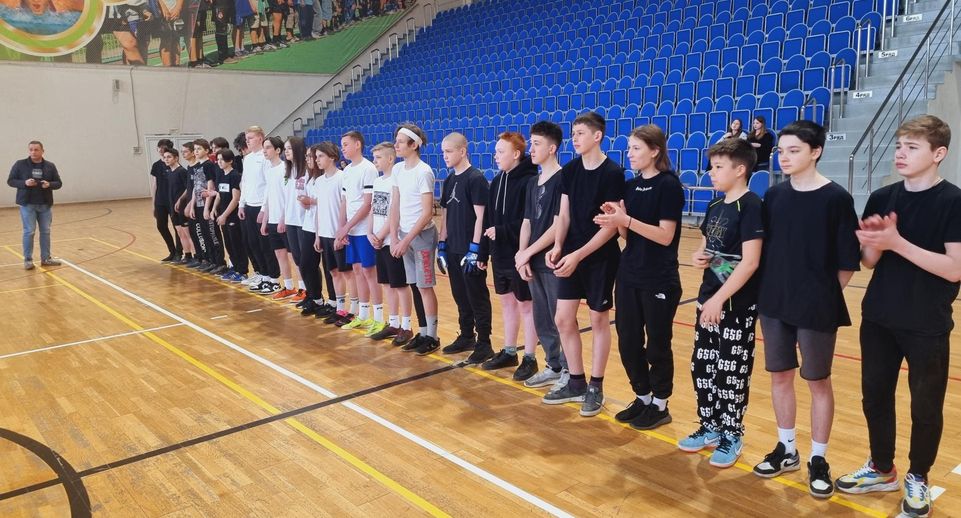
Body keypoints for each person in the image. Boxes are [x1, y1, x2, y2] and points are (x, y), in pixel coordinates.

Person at [835, 116, 959, 518]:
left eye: (912, 147)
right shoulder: (882, 196)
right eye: (899, 145)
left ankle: (918, 476)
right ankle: (881, 468)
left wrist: (896, 241)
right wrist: (873, 241)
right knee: (875, 397)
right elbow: (869, 262)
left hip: (927, 323)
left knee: (925, 407)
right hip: (879, 317)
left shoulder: (954, 202)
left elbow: (954, 269)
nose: (901, 153)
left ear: (938, 154)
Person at [751, 120, 860, 500]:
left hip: (816, 308)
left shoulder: (836, 199)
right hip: (774, 303)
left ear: (815, 152)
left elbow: (847, 263)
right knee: (780, 376)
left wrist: (819, 297)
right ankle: (787, 449)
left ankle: (818, 458)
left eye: (793, 150)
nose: (784, 157)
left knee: (817, 382)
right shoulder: (774, 196)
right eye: (780, 151)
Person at [678, 138, 763, 469]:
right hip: (708, 300)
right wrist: (700, 257)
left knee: (731, 373)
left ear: (740, 169)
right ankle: (710, 425)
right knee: (703, 367)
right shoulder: (715, 205)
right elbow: (706, 248)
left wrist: (719, 298)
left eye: (718, 167)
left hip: (735, 306)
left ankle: (732, 433)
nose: (711, 173)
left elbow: (750, 262)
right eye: (711, 166)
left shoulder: (752, 206)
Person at [595, 125, 684, 428]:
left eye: (636, 148)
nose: (630, 153)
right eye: (629, 148)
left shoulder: (669, 185)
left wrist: (627, 219)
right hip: (629, 274)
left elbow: (665, 236)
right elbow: (626, 235)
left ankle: (660, 404)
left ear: (655, 151)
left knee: (657, 344)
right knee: (629, 341)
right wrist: (616, 218)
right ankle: (643, 397)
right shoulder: (631, 186)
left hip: (659, 277)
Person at [542, 112, 625, 417]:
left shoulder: (613, 173)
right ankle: (575, 381)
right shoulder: (570, 170)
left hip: (599, 257)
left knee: (598, 319)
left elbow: (611, 227)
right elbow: (563, 215)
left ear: (597, 136)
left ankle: (595, 385)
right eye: (573, 133)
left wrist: (578, 255)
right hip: (571, 255)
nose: (574, 138)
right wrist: (558, 246)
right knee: (563, 318)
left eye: (580, 133)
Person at [514, 121, 569, 390]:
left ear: (552, 148)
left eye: (536, 144)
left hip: (552, 260)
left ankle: (570, 371)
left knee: (561, 319)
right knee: (542, 318)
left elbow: (558, 225)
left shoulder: (563, 179)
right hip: (533, 260)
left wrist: (528, 252)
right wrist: (522, 254)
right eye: (531, 143)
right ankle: (553, 365)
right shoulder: (532, 182)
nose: (531, 149)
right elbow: (527, 221)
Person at [480, 132, 539, 377]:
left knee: (526, 305)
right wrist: (483, 252)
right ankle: (509, 351)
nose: (495, 156)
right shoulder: (496, 181)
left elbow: (531, 221)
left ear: (516, 154)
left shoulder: (530, 181)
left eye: (500, 152)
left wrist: (503, 231)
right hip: (499, 255)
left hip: (520, 254)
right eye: (496, 151)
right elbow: (488, 219)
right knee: (507, 303)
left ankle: (530, 357)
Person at [438, 132, 493, 362]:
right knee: (460, 295)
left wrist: (475, 248)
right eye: (443, 152)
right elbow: (445, 215)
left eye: (449, 151)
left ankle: (484, 343)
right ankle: (467, 335)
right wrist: (442, 244)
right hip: (453, 247)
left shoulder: (475, 179)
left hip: (470, 250)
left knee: (477, 296)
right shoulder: (450, 179)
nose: (445, 156)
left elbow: (482, 217)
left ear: (462, 151)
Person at [389, 123, 441, 355]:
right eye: (396, 140)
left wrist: (405, 240)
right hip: (403, 236)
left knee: (425, 287)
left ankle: (433, 336)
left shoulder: (424, 172)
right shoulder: (398, 170)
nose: (396, 145)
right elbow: (395, 205)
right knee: (414, 285)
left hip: (421, 237)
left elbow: (427, 212)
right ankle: (422, 332)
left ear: (414, 145)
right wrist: (394, 236)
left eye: (400, 141)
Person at [337, 131, 383, 334]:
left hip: (364, 230)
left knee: (369, 272)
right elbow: (345, 201)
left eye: (346, 144)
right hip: (352, 230)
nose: (343, 148)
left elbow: (367, 204)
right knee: (357, 271)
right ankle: (363, 315)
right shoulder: (347, 171)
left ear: (358, 145)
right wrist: (342, 228)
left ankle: (379, 317)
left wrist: (346, 227)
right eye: (342, 145)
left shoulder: (368, 168)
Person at [367, 142, 409, 341]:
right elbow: (373, 209)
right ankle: (393, 323)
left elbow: (395, 212)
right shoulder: (377, 181)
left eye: (378, 157)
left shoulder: (397, 181)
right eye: (374, 157)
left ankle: (406, 325)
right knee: (386, 283)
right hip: (378, 240)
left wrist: (382, 235)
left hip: (391, 240)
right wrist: (370, 233)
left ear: (391, 158)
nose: (375, 161)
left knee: (399, 284)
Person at [238, 126, 281, 293]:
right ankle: (263, 275)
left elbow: (268, 185)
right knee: (253, 243)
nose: (247, 141)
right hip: (249, 205)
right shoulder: (247, 158)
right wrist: (242, 204)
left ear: (260, 138)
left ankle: (273, 278)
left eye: (251, 137)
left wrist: (264, 209)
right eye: (246, 138)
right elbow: (245, 183)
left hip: (261, 207)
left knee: (265, 245)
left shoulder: (265, 159)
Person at [7, 140, 62, 270]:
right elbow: (10, 181)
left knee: (46, 231)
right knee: (29, 232)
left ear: (42, 151)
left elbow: (58, 183)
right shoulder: (20, 164)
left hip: (45, 205)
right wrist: (24, 183)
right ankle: (28, 260)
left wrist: (49, 184)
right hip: (27, 205)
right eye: (31, 149)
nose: (33, 152)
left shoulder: (50, 166)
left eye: (36, 149)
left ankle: (46, 259)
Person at [313, 141, 351, 324]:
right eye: (316, 157)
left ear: (332, 157)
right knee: (334, 272)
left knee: (347, 273)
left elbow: (346, 207)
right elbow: (319, 210)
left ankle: (353, 310)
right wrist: (317, 235)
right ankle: (340, 308)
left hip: (339, 234)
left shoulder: (342, 178)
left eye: (321, 156)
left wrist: (342, 233)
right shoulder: (319, 181)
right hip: (325, 233)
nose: (317, 160)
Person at [259, 136, 293, 296]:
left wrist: (282, 219)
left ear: (278, 150)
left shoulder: (285, 169)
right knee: (279, 254)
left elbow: (287, 196)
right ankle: (288, 286)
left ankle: (303, 289)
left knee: (293, 256)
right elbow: (268, 198)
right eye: (264, 148)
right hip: (272, 220)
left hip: (285, 220)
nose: (264, 151)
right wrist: (265, 221)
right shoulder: (269, 171)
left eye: (268, 147)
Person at [296, 145, 327, 316]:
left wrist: (311, 201)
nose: (308, 159)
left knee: (316, 265)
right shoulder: (310, 178)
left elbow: (327, 201)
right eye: (307, 156)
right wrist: (304, 201)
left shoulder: (323, 179)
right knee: (305, 264)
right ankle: (314, 297)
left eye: (311, 156)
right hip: (308, 224)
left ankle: (323, 300)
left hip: (321, 226)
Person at [213, 148, 248, 282]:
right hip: (223, 216)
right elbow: (219, 195)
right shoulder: (221, 175)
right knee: (228, 244)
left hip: (232, 216)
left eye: (222, 159)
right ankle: (234, 268)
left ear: (230, 161)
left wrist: (224, 215)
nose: (219, 162)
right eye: (218, 159)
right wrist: (214, 209)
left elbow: (235, 199)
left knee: (236, 243)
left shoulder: (235, 176)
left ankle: (242, 271)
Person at [281, 138, 308, 303]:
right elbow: (286, 199)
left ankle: (312, 291)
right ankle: (303, 288)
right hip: (291, 220)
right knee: (296, 258)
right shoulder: (288, 172)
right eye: (285, 149)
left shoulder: (306, 170)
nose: (286, 151)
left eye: (289, 148)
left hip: (304, 221)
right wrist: (283, 218)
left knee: (306, 260)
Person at [150, 139, 181, 261]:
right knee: (161, 226)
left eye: (164, 148)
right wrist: (154, 203)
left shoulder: (175, 165)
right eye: (159, 148)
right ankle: (172, 251)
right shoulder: (156, 165)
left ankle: (179, 252)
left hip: (172, 200)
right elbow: (154, 184)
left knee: (177, 227)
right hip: (160, 201)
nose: (161, 150)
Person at [165, 148, 196, 265]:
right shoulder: (169, 172)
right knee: (180, 232)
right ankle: (187, 255)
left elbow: (188, 188)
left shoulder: (182, 171)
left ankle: (196, 256)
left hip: (182, 207)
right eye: (165, 157)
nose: (166, 159)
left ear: (176, 158)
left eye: (169, 157)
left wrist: (180, 200)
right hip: (173, 208)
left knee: (188, 233)